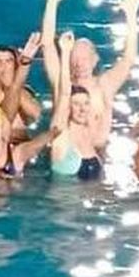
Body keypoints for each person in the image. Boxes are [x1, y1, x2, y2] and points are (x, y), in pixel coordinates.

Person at [39, 0, 139, 148]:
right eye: (75, 58)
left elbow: (128, 58)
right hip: (66, 156)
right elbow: (48, 45)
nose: (80, 64)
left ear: (95, 60)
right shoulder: (62, 84)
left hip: (97, 154)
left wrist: (131, 16)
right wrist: (52, 3)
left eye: (85, 59)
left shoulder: (105, 85)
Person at [48, 32, 106, 180]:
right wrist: (66, 52)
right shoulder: (60, 132)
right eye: (76, 104)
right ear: (68, 108)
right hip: (66, 201)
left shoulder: (89, 135)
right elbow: (65, 92)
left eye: (86, 103)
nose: (82, 108)